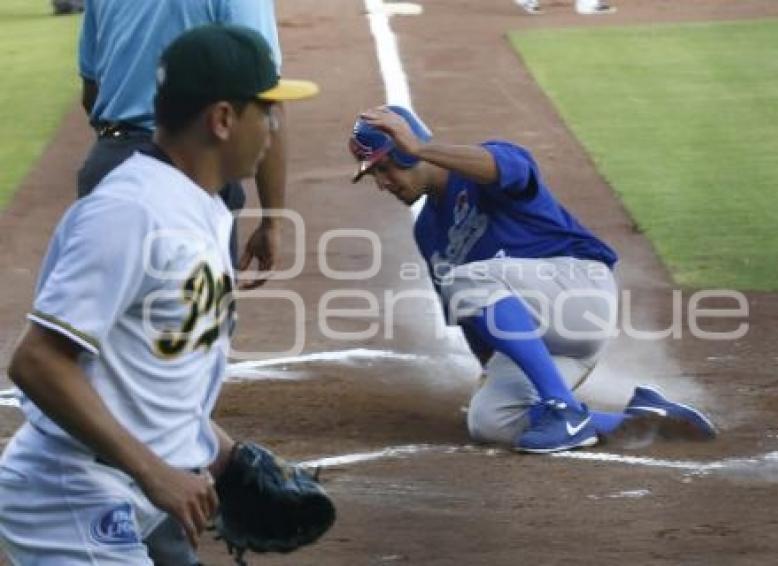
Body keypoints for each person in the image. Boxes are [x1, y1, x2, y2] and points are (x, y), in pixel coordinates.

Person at [0, 24, 316, 564]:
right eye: (265, 110)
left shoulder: (206, 208)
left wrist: (223, 454)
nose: (273, 126)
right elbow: (36, 362)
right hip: (72, 496)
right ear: (222, 119)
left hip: (132, 486)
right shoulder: (131, 212)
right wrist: (155, 471)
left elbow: (148, 370)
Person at [348, 106, 716, 453]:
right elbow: (474, 322)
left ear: (409, 153)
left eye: (384, 168)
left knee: (464, 280)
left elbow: (515, 169)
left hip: (578, 295)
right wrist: (490, 372)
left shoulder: (480, 167)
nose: (382, 183)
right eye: (373, 176)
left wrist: (424, 148)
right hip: (551, 343)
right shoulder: (428, 230)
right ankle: (648, 420)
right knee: (489, 420)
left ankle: (563, 409)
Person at [77, 0, 295, 289]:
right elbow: (263, 94)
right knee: (196, 325)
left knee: (103, 316)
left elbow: (90, 92)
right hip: (192, 170)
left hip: (109, 162)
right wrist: (272, 221)